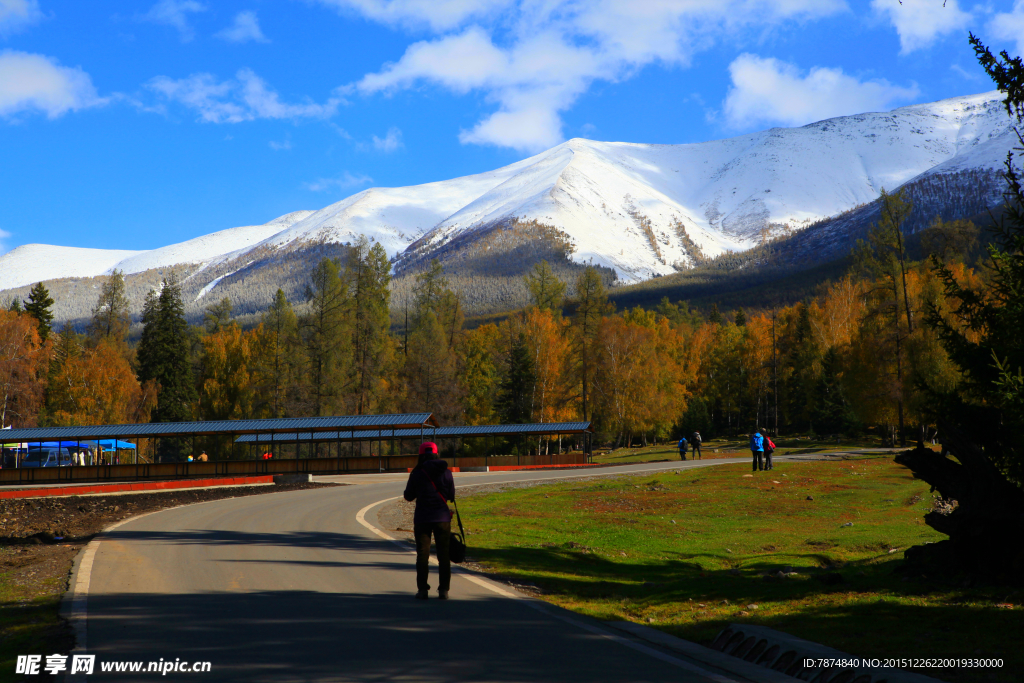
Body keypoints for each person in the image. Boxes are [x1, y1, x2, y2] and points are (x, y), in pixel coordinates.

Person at [403, 442, 455, 600]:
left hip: (422, 518)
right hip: (442, 518)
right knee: (443, 555)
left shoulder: (417, 473)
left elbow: (408, 496)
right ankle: (444, 590)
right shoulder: (446, 472)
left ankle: (422, 590)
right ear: (437, 454)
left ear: (421, 455)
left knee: (422, 555)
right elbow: (451, 495)